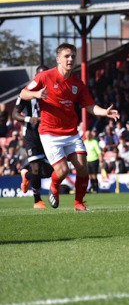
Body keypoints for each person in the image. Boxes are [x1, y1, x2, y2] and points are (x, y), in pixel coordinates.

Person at [19, 43, 119, 211]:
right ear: (58, 59)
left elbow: (89, 106)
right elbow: (23, 93)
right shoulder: (44, 77)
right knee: (63, 170)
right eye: (66, 56)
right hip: (50, 133)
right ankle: (54, 185)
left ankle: (78, 203)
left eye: (73, 56)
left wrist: (104, 112)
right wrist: (36, 94)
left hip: (71, 133)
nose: (70, 59)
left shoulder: (78, 84)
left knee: (82, 167)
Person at [13, 65, 53, 208]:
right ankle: (37, 201)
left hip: (48, 132)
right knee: (36, 167)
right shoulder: (26, 92)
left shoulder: (53, 91)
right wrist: (29, 119)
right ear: (35, 78)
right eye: (40, 76)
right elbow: (15, 114)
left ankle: (26, 175)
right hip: (32, 133)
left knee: (49, 171)